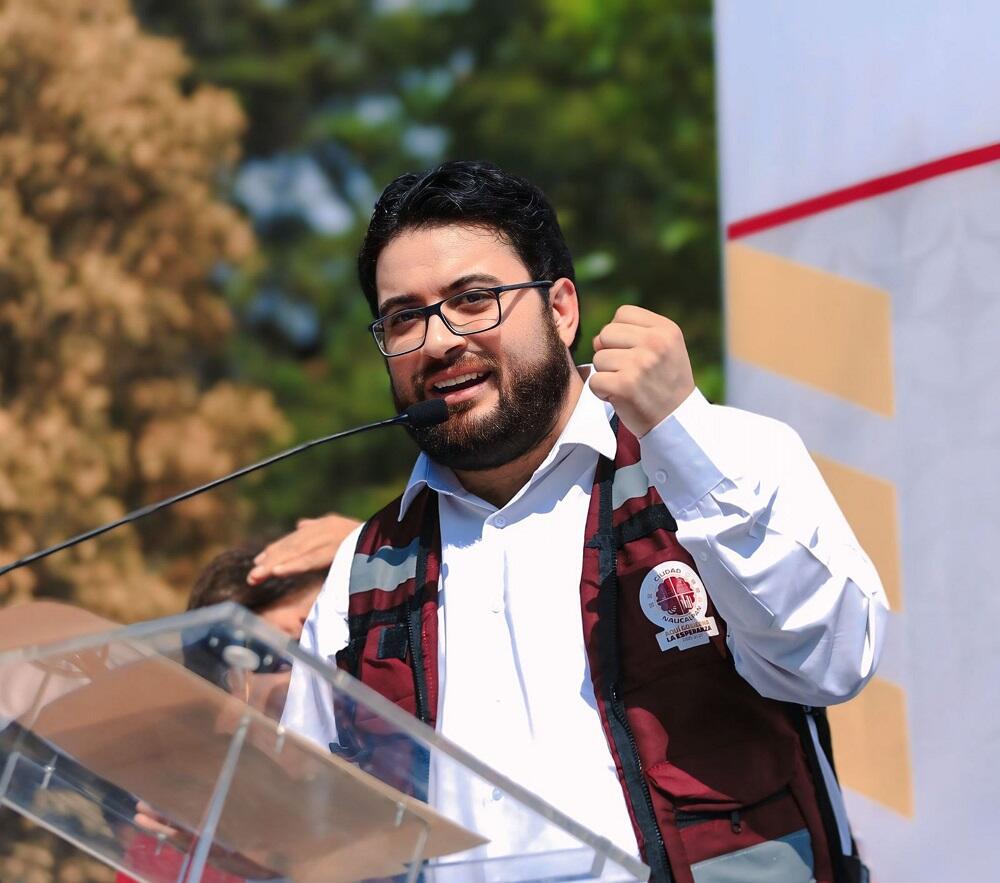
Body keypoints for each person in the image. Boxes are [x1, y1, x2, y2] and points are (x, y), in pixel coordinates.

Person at [281, 160, 888, 883]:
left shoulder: (723, 454)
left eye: (473, 299)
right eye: (404, 318)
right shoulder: (364, 566)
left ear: (562, 309)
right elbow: (309, 822)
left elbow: (832, 660)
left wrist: (682, 439)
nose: (438, 341)